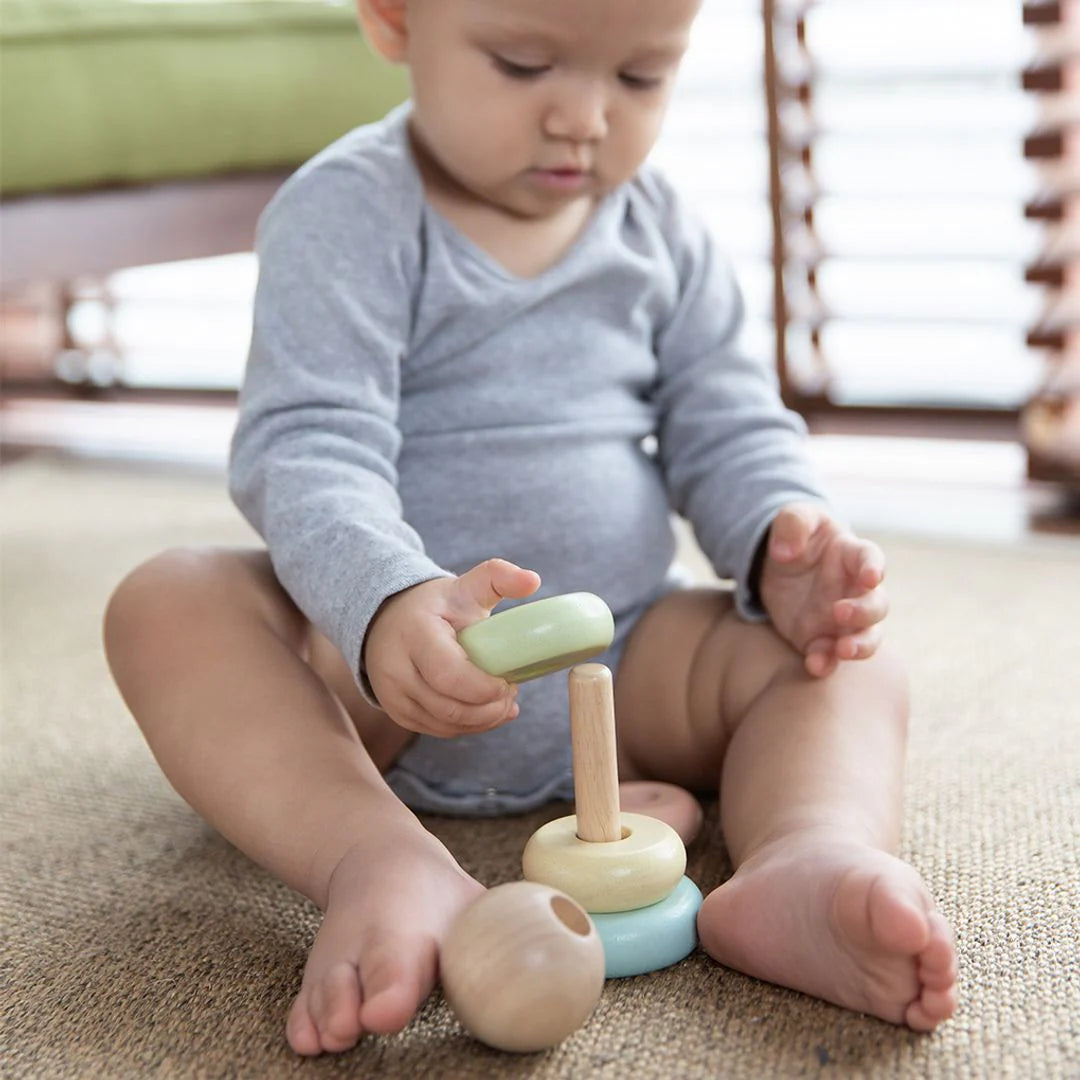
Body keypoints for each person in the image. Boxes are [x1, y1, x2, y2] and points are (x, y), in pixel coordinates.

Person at [103, 0, 958, 1056]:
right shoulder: (348, 212)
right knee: (169, 602)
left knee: (851, 663)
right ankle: (375, 855)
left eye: (641, 78)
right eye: (522, 64)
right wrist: (385, 604)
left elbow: (730, 427)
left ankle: (804, 859)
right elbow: (308, 446)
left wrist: (784, 545)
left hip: (627, 658)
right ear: (395, 19)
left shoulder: (663, 232)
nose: (585, 120)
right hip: (382, 687)